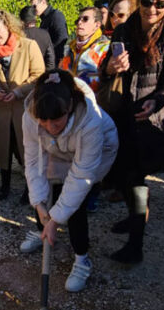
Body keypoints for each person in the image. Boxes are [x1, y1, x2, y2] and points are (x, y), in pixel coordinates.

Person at [101, 0, 164, 263]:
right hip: (122, 115)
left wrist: (157, 101)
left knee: (136, 180)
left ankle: (135, 244)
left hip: (151, 121)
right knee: (123, 177)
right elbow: (106, 68)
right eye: (148, 1)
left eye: (160, 4)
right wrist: (111, 67)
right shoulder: (126, 28)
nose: (152, 9)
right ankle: (134, 219)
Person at [21, 70, 118, 292]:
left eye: (55, 121)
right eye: (42, 121)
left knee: (75, 205)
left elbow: (81, 177)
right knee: (44, 196)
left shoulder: (90, 120)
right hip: (59, 149)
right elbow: (34, 162)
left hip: (97, 151)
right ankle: (42, 231)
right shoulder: (30, 114)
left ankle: (82, 258)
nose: (48, 127)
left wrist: (56, 220)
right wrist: (38, 204)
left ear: (70, 106)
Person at [0, 9, 45, 202]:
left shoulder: (28, 46)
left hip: (23, 109)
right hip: (1, 111)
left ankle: (30, 188)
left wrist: (18, 92)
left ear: (8, 26)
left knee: (26, 151)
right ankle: (5, 185)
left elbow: (39, 76)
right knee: (3, 151)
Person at [60, 7, 109, 93]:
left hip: (93, 102)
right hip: (68, 100)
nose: (79, 22)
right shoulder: (69, 47)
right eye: (78, 20)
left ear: (97, 25)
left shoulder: (105, 47)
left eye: (85, 19)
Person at [30, 0, 68, 65]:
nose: (33, 10)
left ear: (43, 2)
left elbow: (63, 37)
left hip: (55, 61)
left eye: (34, 6)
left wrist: (48, 52)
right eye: (32, 8)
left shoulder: (56, 15)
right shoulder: (44, 20)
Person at [19, 6, 55, 70]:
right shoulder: (44, 34)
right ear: (35, 18)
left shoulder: (18, 35)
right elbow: (50, 59)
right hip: (39, 73)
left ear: (21, 20)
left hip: (21, 74)